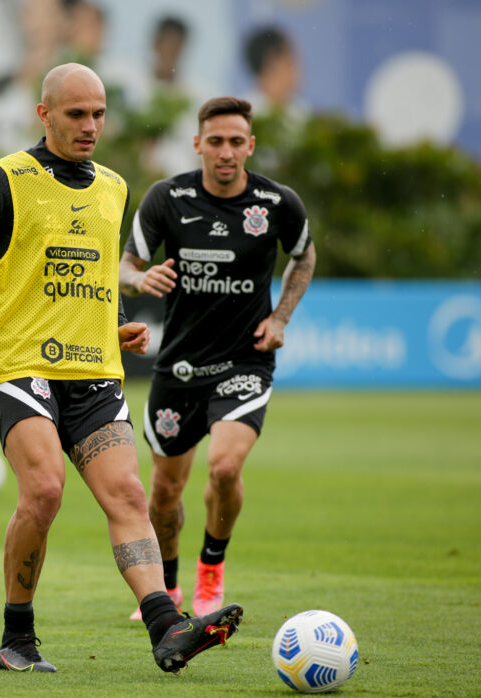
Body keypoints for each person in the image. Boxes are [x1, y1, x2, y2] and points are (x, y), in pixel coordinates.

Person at [0, 63, 243, 674]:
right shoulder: (4, 180)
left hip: (93, 368)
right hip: (17, 365)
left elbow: (94, 272)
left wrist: (115, 320)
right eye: (76, 114)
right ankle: (17, 637)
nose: (91, 125)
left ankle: (165, 628)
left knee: (127, 493)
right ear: (44, 115)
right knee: (44, 491)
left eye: (98, 113)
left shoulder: (114, 187)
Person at [118, 96, 316, 619]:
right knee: (164, 490)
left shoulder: (277, 203)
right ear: (197, 144)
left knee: (225, 467)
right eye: (215, 141)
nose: (225, 152)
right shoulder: (167, 198)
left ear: (250, 145)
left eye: (235, 142)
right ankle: (169, 587)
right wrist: (140, 277)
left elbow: (304, 254)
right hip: (179, 366)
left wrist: (280, 319)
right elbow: (126, 263)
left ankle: (211, 571)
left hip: (243, 362)